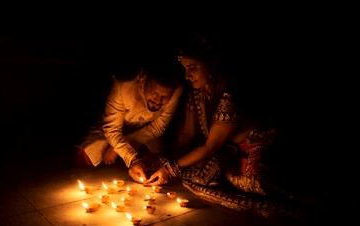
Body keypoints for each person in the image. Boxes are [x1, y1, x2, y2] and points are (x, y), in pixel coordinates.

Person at [144, 32, 289, 216]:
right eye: (185, 69)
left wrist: (171, 169)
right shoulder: (197, 92)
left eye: (193, 67)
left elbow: (212, 145)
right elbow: (187, 134)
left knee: (255, 180)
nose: (187, 75)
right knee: (193, 172)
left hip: (257, 150)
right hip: (230, 152)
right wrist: (167, 161)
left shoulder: (229, 94)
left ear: (211, 64)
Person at [76, 62, 184, 184]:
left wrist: (119, 149)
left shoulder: (176, 90)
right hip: (114, 128)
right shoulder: (123, 86)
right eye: (154, 93)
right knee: (86, 155)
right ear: (143, 80)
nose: (158, 101)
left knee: (155, 160)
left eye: (165, 96)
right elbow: (111, 128)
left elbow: (158, 127)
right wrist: (132, 157)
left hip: (146, 131)